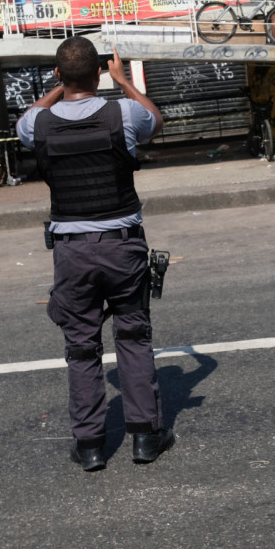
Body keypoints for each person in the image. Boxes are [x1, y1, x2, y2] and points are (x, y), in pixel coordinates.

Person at [16, 36, 173, 473]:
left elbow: (28, 117)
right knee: (134, 338)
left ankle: (90, 446)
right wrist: (124, 82)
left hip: (72, 253)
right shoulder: (124, 113)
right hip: (123, 246)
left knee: (81, 348)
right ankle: (145, 438)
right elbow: (156, 119)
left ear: (58, 74)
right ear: (100, 73)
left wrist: (59, 85)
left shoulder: (38, 124)